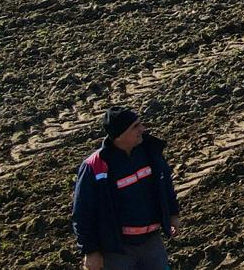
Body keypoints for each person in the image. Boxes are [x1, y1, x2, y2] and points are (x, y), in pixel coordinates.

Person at [72, 107, 180, 270]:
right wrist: (91, 251)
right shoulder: (95, 166)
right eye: (135, 126)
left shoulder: (150, 152)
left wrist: (173, 214)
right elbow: (83, 212)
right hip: (117, 250)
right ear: (119, 135)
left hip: (151, 242)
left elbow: (165, 185)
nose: (142, 129)